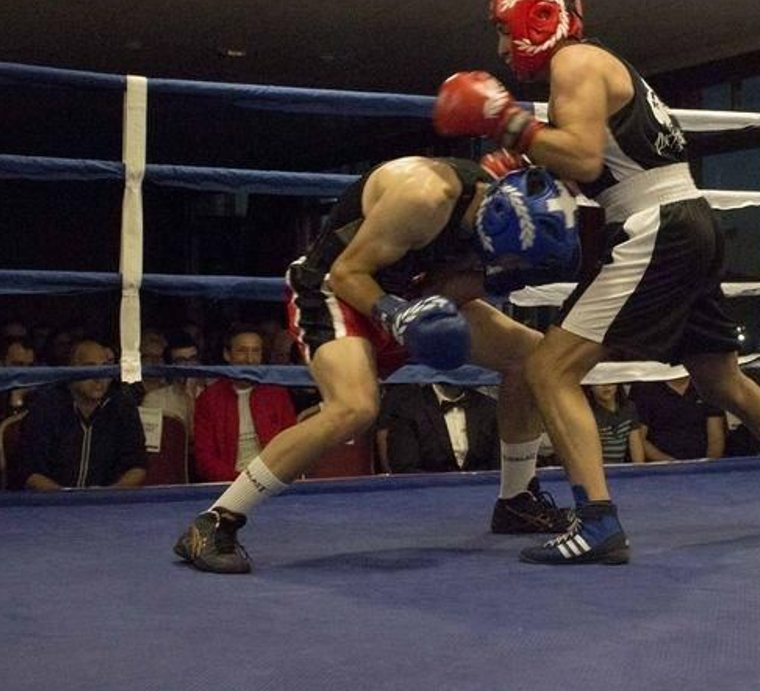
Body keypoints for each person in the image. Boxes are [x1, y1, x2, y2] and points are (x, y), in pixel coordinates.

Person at [434, 0, 760, 566]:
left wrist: (508, 121)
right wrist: (521, 157)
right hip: (687, 220)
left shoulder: (574, 63)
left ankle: (598, 523)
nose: (502, 48)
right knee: (721, 378)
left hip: (651, 226)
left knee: (549, 369)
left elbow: (579, 152)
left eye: (505, 31)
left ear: (538, 17)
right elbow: (591, 163)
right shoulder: (603, 67)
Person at [173, 162, 580, 574]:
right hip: (339, 289)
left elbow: (450, 285)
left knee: (532, 358)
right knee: (354, 408)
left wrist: (447, 302)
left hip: (410, 295)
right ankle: (215, 521)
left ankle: (516, 501)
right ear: (497, 229)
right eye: (509, 260)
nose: (509, 267)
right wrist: (398, 315)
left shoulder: (498, 221)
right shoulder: (425, 195)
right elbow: (347, 273)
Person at [18, 339, 148, 490]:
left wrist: (109, 494)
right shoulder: (46, 406)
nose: (99, 378)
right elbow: (29, 471)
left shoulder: (122, 406)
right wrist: (65, 497)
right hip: (52, 504)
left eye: (105, 369)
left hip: (108, 505)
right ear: (72, 371)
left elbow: (137, 465)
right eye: (90, 369)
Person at [192, 326, 298, 483]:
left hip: (274, 481)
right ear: (227, 355)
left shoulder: (277, 393)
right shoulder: (209, 399)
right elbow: (204, 458)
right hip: (227, 485)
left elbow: (292, 445)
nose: (249, 359)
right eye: (242, 351)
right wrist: (240, 481)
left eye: (256, 351)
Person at [378, 383, 498, 473]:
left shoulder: (491, 408)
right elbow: (405, 468)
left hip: (483, 496)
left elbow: (499, 466)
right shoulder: (407, 409)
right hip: (426, 498)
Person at [631, 376, 725, 461]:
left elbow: (716, 435)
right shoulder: (644, 388)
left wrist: (708, 466)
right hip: (659, 468)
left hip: (701, 466)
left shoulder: (708, 385)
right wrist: (671, 463)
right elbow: (639, 438)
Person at [587, 383, 645, 465]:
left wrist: (639, 470)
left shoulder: (629, 407)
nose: (606, 386)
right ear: (590, 387)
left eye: (610, 381)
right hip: (596, 469)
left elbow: (636, 445)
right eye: (599, 382)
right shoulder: (586, 413)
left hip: (620, 470)